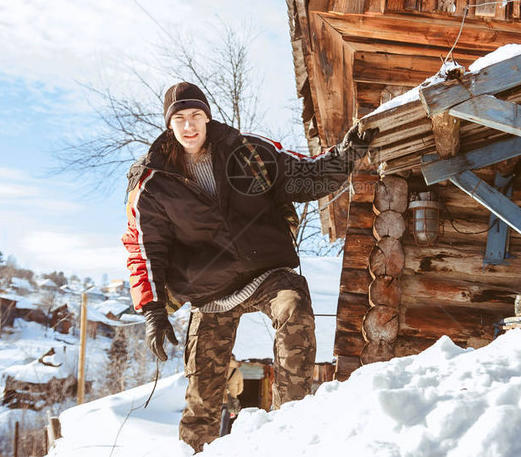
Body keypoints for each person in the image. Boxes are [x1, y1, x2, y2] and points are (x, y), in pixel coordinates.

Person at [122, 81, 375, 452]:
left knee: (294, 307)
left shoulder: (249, 150)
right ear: (169, 125)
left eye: (195, 116)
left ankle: (289, 427)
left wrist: (348, 154)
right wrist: (152, 310)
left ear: (207, 117)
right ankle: (193, 451)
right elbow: (144, 247)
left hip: (266, 272)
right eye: (179, 119)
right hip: (208, 290)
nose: (189, 126)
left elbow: (307, 177)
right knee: (202, 395)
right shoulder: (152, 182)